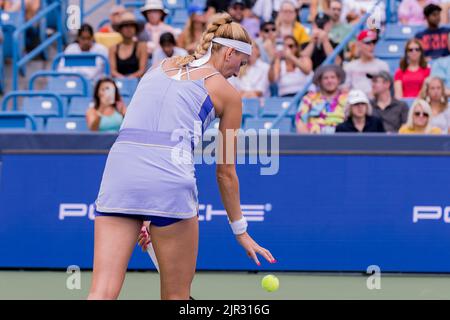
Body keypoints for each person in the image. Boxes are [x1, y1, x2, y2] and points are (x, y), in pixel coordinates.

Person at [88, 13, 275, 300]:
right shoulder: (229, 94)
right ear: (229, 52)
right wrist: (241, 230)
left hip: (119, 173)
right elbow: (225, 171)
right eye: (242, 62)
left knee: (101, 293)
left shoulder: (157, 66)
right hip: (169, 183)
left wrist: (146, 216)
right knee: (177, 297)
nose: (239, 72)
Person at [296, 64, 348, 133]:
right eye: (325, 78)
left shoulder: (348, 98)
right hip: (314, 139)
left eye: (333, 77)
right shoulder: (309, 98)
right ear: (320, 81)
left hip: (343, 138)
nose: (329, 81)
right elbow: (300, 121)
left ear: (338, 80)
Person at [343, 29, 389, 97]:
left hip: (376, 103)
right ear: (358, 44)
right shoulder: (349, 67)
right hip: (355, 102)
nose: (372, 46)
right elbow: (345, 89)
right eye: (368, 43)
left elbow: (386, 89)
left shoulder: (382, 65)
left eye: (374, 42)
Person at [109, 12, 148, 79]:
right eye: (125, 25)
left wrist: (130, 79)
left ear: (135, 29)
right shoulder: (113, 48)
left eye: (132, 25)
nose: (129, 28)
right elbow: (113, 71)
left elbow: (142, 70)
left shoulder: (142, 46)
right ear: (120, 29)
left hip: (137, 84)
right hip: (119, 83)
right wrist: (123, 79)